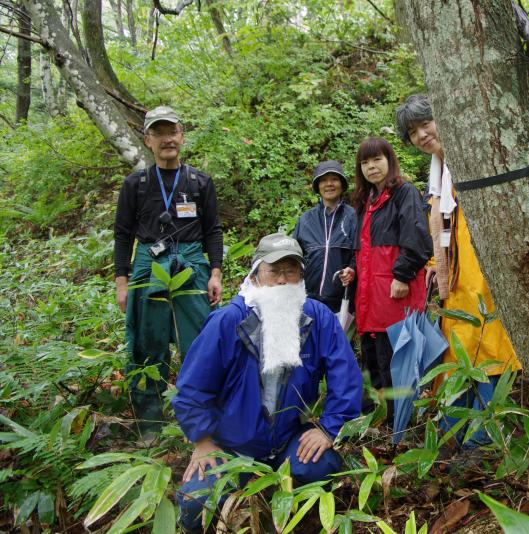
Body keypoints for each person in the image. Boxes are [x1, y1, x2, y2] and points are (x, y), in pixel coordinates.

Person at [172, 233, 361, 533]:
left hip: (288, 439)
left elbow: (346, 378)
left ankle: (285, 519)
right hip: (229, 445)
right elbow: (192, 387)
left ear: (301, 275)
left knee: (322, 468)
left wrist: (328, 428)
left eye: (291, 271)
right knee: (196, 503)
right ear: (256, 275)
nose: (283, 280)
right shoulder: (227, 322)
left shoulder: (317, 317)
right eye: (274, 272)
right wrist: (202, 439)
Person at [395, 94, 521, 449]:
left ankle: (481, 440)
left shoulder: (471, 164)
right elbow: (441, 234)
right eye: (412, 132)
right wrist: (436, 266)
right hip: (454, 284)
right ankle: (455, 436)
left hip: (483, 276)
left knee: (489, 348)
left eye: (425, 124)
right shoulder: (437, 177)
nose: (421, 135)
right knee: (458, 354)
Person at [114, 106, 223, 439]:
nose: (167, 139)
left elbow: (213, 231)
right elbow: (122, 233)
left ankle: (204, 422)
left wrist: (215, 273)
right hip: (149, 266)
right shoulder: (136, 184)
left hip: (191, 264)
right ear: (148, 140)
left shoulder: (199, 181)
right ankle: (151, 427)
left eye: (172, 132)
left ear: (181, 136)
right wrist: (122, 282)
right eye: (159, 133)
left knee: (201, 344)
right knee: (147, 346)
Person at [339, 137, 432, 419]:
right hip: (369, 293)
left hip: (394, 293)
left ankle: (400, 424)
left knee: (395, 359)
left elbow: (417, 240)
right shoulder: (365, 201)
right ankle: (381, 419)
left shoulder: (404, 193)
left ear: (389, 161)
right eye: (365, 162)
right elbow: (365, 248)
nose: (371, 167)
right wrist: (354, 270)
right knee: (373, 357)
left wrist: (402, 275)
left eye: (377, 159)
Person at [293, 160, 357, 313]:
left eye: (334, 179)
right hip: (307, 299)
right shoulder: (306, 219)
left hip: (342, 301)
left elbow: (359, 254)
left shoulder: (353, 217)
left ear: (342, 184)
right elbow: (295, 256)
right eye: (323, 180)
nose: (329, 184)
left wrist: (352, 269)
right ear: (317, 186)